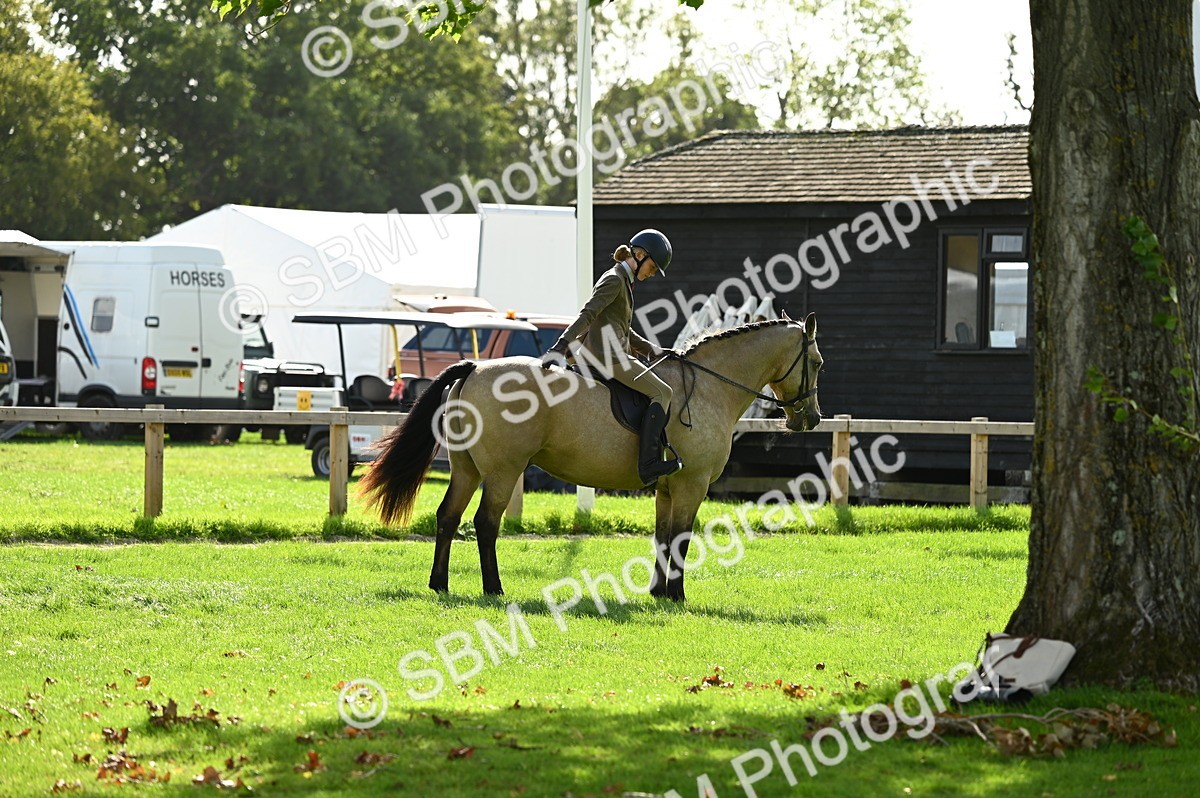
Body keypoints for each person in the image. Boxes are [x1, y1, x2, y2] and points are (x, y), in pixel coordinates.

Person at [541, 229, 683, 485]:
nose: (652, 274)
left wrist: (654, 350)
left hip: (615, 353)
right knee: (663, 393)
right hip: (609, 359)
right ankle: (649, 464)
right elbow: (588, 315)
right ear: (639, 255)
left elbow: (621, 327)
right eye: (652, 267)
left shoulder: (623, 280)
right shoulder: (615, 280)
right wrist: (561, 346)